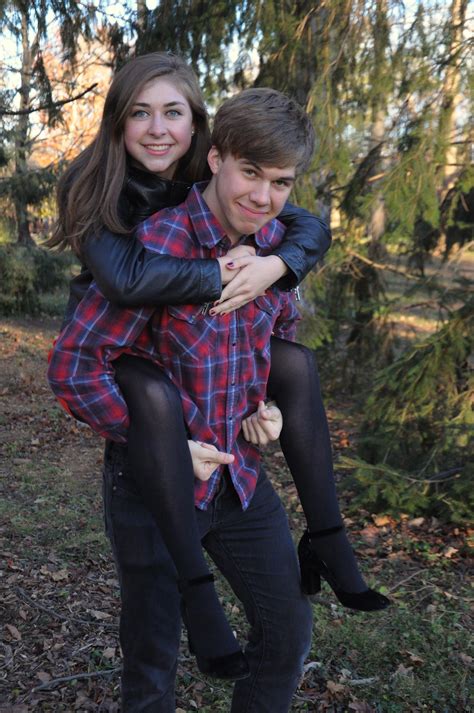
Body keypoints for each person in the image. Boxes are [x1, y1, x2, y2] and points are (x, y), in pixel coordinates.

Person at [48, 54, 388, 712]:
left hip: (236, 475)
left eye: (279, 182)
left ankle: (327, 538)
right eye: (251, 175)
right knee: (153, 661)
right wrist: (158, 442)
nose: (262, 195)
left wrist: (264, 400)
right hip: (153, 477)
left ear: (197, 134)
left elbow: (277, 333)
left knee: (287, 630)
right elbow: (73, 363)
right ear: (217, 160)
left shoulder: (270, 235)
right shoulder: (135, 228)